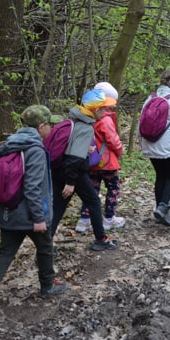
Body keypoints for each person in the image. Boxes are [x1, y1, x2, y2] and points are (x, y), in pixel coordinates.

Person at [0, 105, 69, 322]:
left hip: (9, 211)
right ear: (41, 126)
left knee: (5, 253)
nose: (52, 129)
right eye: (50, 125)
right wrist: (39, 219)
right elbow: (33, 188)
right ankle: (48, 285)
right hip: (29, 215)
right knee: (45, 247)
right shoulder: (35, 150)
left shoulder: (10, 145)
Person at [49, 89, 119, 251]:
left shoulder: (74, 119)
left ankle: (45, 243)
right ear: (95, 110)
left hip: (59, 169)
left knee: (58, 206)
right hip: (74, 172)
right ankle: (101, 239)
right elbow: (75, 157)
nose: (105, 112)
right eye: (103, 109)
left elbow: (70, 146)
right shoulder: (87, 127)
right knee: (94, 202)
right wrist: (71, 182)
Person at [140, 70, 170, 225]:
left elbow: (141, 123)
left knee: (160, 176)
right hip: (168, 146)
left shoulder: (150, 98)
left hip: (150, 143)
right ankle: (162, 207)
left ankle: (159, 209)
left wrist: (141, 143)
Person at [77, 81, 125, 233]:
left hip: (92, 160)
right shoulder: (105, 119)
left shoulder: (86, 117)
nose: (114, 106)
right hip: (107, 162)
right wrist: (120, 151)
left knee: (91, 190)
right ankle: (109, 218)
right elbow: (113, 139)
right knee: (113, 188)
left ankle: (84, 219)